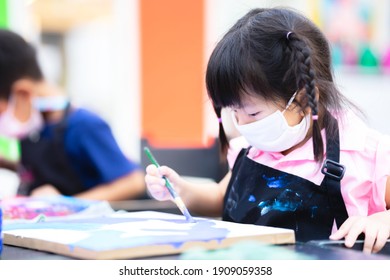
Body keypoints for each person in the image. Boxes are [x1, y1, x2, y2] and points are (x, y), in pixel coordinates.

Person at [145, 7, 390, 254]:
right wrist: (181, 190)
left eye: (253, 113)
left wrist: (382, 221)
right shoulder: (253, 150)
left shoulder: (363, 153)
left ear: (305, 99)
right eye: (234, 112)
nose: (242, 124)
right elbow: (223, 196)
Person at [0, 28, 146, 201]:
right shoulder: (34, 127)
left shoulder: (84, 125)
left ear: (22, 93)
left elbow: (133, 182)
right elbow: (40, 172)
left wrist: (69, 204)